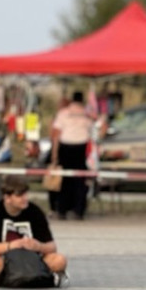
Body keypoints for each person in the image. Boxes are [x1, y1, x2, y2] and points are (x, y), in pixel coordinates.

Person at [0, 175, 68, 286]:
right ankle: (38, 279)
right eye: (20, 195)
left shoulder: (35, 212)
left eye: (26, 194)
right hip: (6, 264)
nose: (25, 198)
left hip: (33, 264)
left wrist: (38, 246)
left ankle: (10, 280)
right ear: (7, 198)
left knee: (60, 260)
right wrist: (12, 245)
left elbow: (52, 247)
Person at [50, 91, 96, 220]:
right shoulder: (87, 114)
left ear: (72, 99)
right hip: (82, 148)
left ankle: (62, 210)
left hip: (65, 148)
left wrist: (54, 154)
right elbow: (94, 131)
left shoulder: (63, 113)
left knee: (65, 180)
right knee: (81, 180)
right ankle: (79, 210)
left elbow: (56, 134)